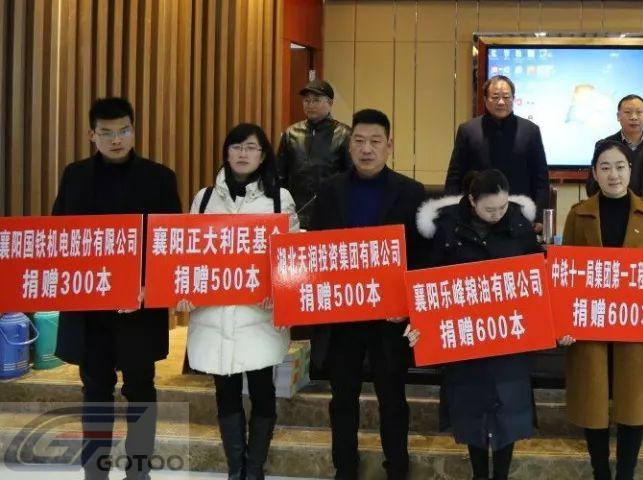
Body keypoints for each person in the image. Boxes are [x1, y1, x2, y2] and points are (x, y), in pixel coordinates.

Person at [51, 97, 182, 480]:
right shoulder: (75, 175)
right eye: (106, 132)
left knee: (140, 389)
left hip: (139, 306)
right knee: (95, 391)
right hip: (90, 308)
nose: (116, 139)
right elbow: (59, 235)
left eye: (123, 130)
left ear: (134, 131)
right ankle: (95, 473)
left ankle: (139, 472)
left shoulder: (160, 178)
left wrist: (148, 285)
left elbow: (170, 243)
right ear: (91, 135)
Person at [304, 109, 427, 480]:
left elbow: (422, 256)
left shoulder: (411, 192)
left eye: (375, 141)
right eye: (359, 141)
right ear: (349, 145)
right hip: (343, 317)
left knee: (393, 399)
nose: (366, 149)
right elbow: (314, 249)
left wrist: (408, 304)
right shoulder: (330, 190)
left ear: (390, 145)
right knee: (343, 398)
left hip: (390, 318)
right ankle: (345, 467)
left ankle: (398, 468)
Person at [181, 123, 299, 480]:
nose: (243, 154)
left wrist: (280, 291)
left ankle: (254, 468)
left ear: (263, 155)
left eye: (251, 147)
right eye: (236, 146)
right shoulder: (204, 199)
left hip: (259, 313)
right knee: (225, 391)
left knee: (262, 390)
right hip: (215, 313)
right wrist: (182, 291)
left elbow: (292, 258)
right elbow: (186, 253)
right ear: (226, 152)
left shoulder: (279, 199)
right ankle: (237, 469)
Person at [411, 169, 543, 480]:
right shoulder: (448, 229)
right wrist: (420, 322)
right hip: (465, 341)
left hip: (509, 338)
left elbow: (538, 276)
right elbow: (430, 280)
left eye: (502, 207)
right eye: (489, 209)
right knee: (472, 414)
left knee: (508, 413)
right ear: (471, 201)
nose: (497, 214)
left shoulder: (520, 228)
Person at [559, 139, 643, 480]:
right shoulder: (578, 214)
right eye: (605, 168)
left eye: (620, 167)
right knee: (593, 402)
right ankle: (600, 471)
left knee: (633, 402)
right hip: (591, 325)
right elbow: (565, 276)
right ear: (595, 173)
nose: (614, 174)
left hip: (635, 326)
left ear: (630, 170)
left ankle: (626, 472)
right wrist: (563, 323)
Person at [445, 75, 550, 227]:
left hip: (519, 215)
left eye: (506, 97)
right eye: (495, 97)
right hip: (477, 214)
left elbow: (540, 178)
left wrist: (539, 217)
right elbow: (455, 176)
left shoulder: (530, 131)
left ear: (513, 99)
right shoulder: (468, 130)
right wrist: (451, 214)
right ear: (485, 99)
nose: (501, 102)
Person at [585, 94, 643, 215]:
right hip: (612, 214)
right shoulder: (604, 146)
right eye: (628, 112)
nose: (634, 117)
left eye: (639, 112)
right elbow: (593, 185)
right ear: (618, 116)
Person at [276, 79, 351, 228]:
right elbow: (280, 175)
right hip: (295, 212)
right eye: (306, 100)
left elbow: (351, 177)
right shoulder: (291, 133)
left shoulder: (344, 134)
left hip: (331, 213)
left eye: (316, 100)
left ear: (330, 103)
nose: (310, 105)